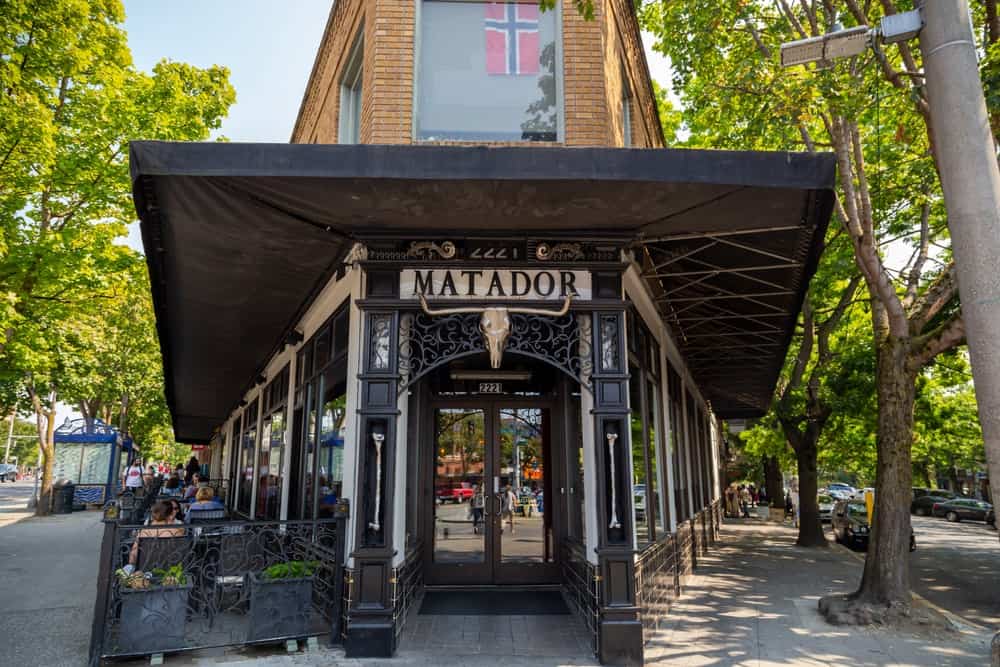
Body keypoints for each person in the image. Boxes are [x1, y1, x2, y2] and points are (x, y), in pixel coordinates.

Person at [130, 501, 185, 566]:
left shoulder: (143, 532)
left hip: (145, 569)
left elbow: (132, 557)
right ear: (170, 515)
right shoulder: (176, 532)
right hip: (169, 570)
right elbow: (181, 556)